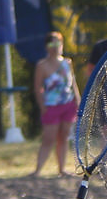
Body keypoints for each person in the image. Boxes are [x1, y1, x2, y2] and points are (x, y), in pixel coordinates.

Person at [29, 30, 76, 177]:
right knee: (49, 138)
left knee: (64, 136)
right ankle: (37, 170)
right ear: (46, 46)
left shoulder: (67, 63)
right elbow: (37, 88)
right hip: (51, 105)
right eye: (52, 43)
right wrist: (42, 105)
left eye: (58, 43)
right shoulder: (42, 65)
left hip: (68, 104)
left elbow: (73, 83)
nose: (55, 46)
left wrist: (78, 99)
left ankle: (62, 169)